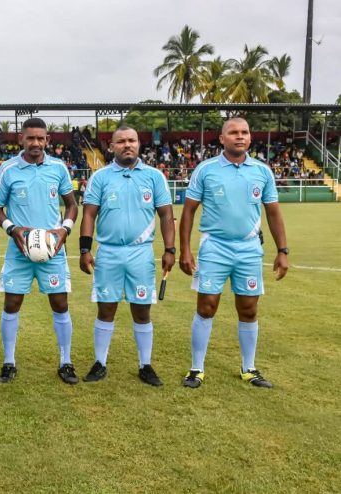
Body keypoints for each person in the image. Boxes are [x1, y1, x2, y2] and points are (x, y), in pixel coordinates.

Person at [179, 117, 289, 389]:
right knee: (206, 306)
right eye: (233, 132)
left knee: (249, 308)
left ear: (250, 138)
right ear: (222, 139)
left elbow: (273, 213)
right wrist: (185, 250)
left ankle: (249, 368)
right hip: (214, 247)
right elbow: (189, 212)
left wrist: (282, 251)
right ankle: (196, 369)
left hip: (249, 249)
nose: (240, 136)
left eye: (244, 132)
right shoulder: (205, 170)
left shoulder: (262, 172)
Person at [79, 126, 175, 386]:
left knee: (142, 311)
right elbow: (89, 214)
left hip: (141, 254)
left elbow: (166, 214)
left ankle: (145, 365)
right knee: (106, 308)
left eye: (131, 140)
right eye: (120, 141)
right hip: (108, 252)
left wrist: (170, 249)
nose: (127, 145)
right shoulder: (100, 178)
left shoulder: (155, 177)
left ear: (139, 144)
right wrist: (85, 249)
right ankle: (100, 363)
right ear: (111, 146)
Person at [0, 117, 79, 384]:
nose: (36, 143)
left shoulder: (59, 168)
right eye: (31, 138)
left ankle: (66, 362)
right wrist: (11, 228)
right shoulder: (8, 169)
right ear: (21, 139)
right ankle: (9, 362)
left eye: (41, 138)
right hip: (19, 249)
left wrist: (64, 229)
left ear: (47, 141)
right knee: (12, 303)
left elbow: (72, 204)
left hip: (53, 248)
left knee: (60, 304)